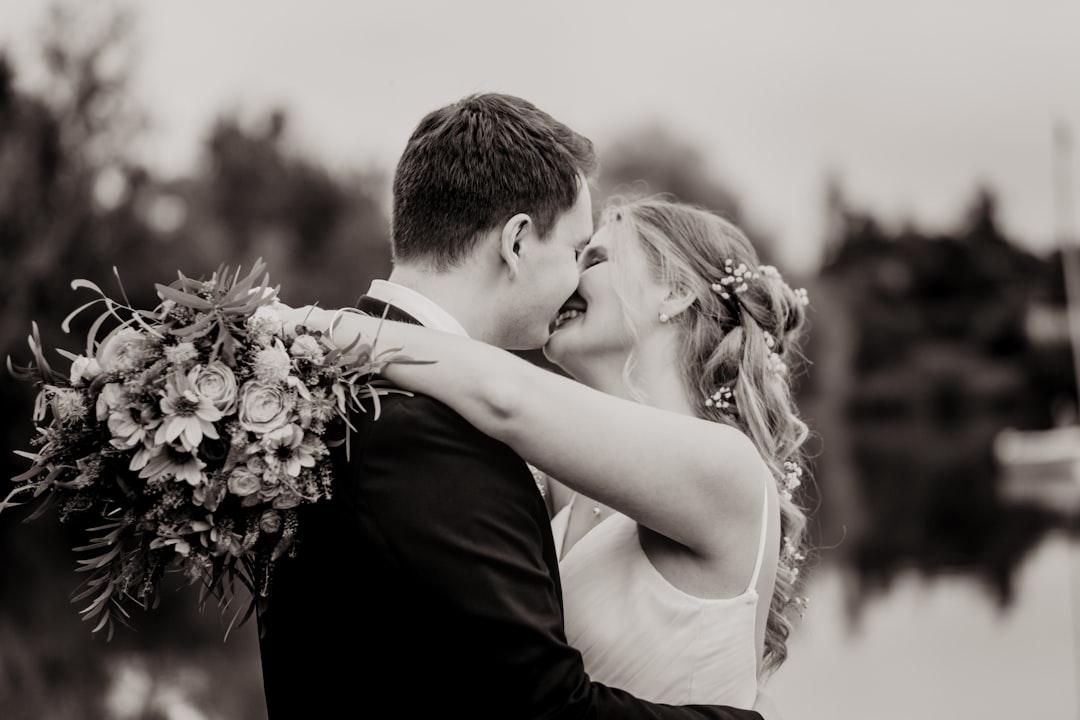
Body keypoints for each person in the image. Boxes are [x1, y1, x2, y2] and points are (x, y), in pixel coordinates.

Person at [256, 92, 767, 719]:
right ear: (517, 244)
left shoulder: (720, 466)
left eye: (594, 257)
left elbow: (508, 395)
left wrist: (319, 326)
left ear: (677, 295)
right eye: (578, 250)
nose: (576, 277)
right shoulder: (448, 438)